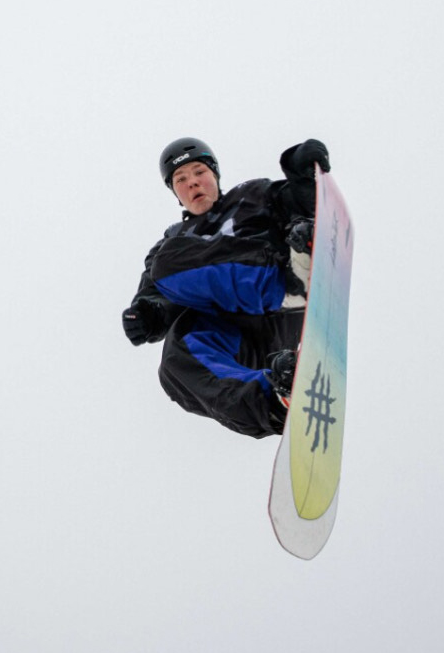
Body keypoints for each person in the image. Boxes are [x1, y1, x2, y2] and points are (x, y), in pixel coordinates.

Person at [122, 137, 331, 438]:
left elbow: (299, 200)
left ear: (215, 175)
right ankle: (274, 399)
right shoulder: (174, 242)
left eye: (199, 172)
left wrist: (302, 170)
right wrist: (147, 316)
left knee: (169, 260)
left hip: (278, 306)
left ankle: (291, 283)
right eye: (181, 180)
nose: (193, 183)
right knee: (176, 363)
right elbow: (157, 297)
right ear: (175, 193)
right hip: (240, 337)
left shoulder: (251, 196)